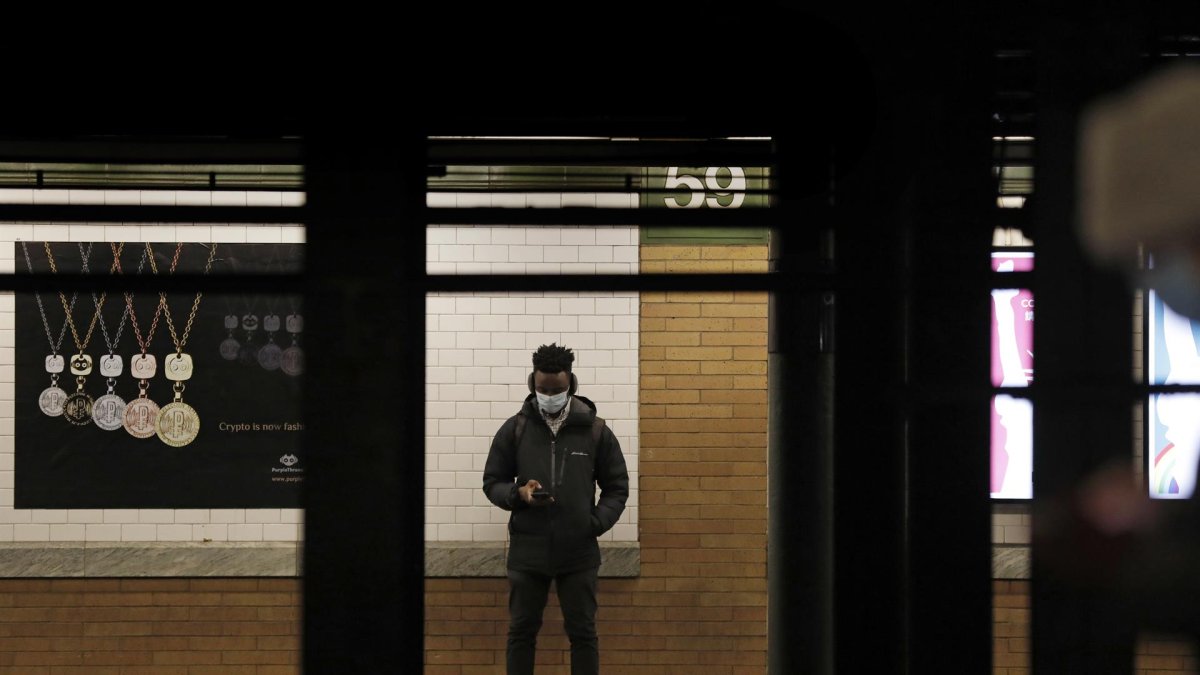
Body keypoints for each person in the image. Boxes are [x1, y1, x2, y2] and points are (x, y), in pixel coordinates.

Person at [482, 342, 629, 675]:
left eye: (558, 389)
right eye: (543, 389)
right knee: (521, 633)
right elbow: (493, 482)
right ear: (532, 384)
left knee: (583, 635)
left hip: (578, 554)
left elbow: (617, 487)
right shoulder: (515, 429)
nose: (550, 395)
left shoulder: (595, 431)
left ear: (571, 385)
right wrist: (518, 494)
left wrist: (592, 523)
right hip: (527, 552)